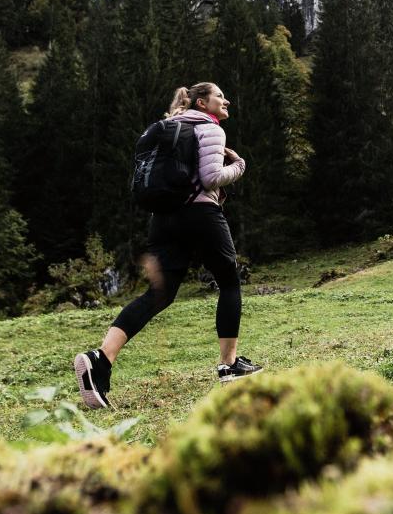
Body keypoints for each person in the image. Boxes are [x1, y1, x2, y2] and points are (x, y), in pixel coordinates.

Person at [74, 82, 262, 409]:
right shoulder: (210, 128)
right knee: (229, 282)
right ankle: (229, 364)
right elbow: (211, 178)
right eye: (220, 96)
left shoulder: (167, 126)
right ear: (203, 102)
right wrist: (240, 165)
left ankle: (101, 360)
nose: (226, 100)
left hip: (162, 218)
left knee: (159, 293)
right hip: (200, 213)